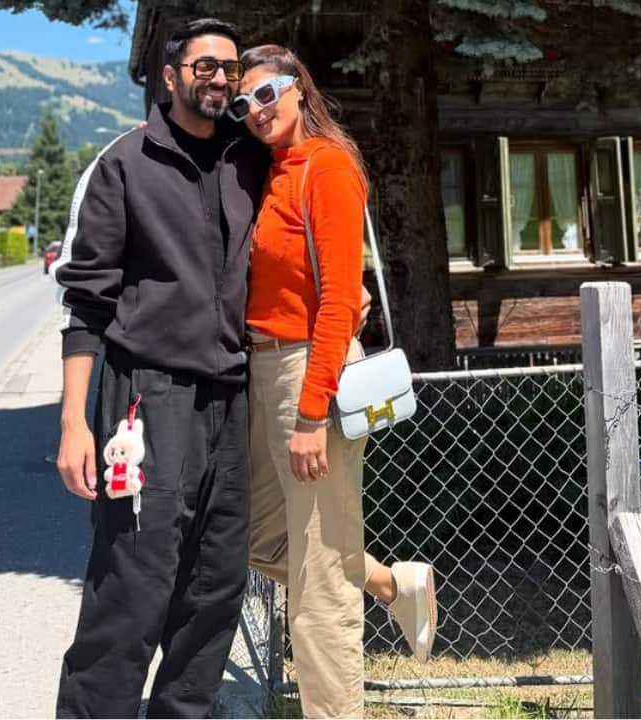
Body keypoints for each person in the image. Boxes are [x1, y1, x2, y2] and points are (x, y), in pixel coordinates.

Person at [52, 18, 266, 718]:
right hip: (147, 400)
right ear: (170, 77)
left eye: (229, 66)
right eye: (204, 65)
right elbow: (86, 302)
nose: (220, 77)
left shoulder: (246, 161)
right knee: (134, 585)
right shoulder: (127, 164)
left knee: (215, 586)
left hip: (230, 399)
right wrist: (74, 425)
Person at [236, 44, 438, 718]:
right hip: (264, 367)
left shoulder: (327, 166)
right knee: (265, 542)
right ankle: (392, 582)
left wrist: (310, 413)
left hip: (308, 370)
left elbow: (334, 302)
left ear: (300, 89)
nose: (255, 110)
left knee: (317, 594)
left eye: (267, 93)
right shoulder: (272, 170)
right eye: (244, 103)